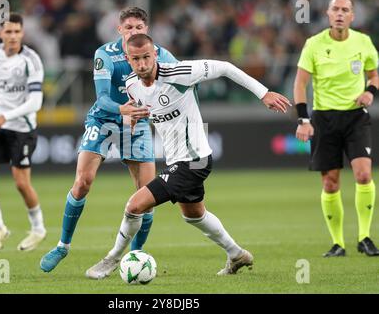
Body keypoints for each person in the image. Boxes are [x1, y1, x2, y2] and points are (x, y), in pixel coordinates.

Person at [85, 33, 291, 279]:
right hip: (176, 160)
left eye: (146, 57)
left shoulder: (179, 73)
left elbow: (224, 67)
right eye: (136, 59)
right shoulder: (131, 84)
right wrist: (132, 119)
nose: (142, 64)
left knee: (134, 205)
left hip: (195, 159)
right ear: (128, 60)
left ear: (155, 55)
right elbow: (138, 107)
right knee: (193, 215)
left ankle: (112, 259)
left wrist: (263, 93)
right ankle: (236, 254)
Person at [40, 7, 178, 272]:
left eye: (139, 27)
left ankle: (134, 257)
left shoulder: (161, 55)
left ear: (146, 29)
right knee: (82, 182)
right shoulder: (105, 54)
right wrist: (122, 109)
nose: (134, 32)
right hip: (104, 119)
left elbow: (177, 86)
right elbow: (102, 98)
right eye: (129, 28)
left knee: (146, 196)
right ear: (120, 30)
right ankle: (62, 246)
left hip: (135, 124)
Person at [294, 0, 379, 257]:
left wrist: (370, 92)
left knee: (364, 175)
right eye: (336, 9)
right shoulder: (314, 44)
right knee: (330, 183)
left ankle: (364, 237)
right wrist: (304, 120)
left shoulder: (363, 42)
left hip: (355, 116)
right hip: (324, 118)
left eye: (345, 9)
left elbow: (374, 74)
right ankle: (337, 243)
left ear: (353, 16)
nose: (340, 13)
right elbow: (300, 84)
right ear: (328, 15)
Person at [0, 13, 46, 253]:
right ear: (0, 33)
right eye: (8, 32)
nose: (13, 36)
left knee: (21, 184)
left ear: (23, 33)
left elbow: (35, 102)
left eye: (17, 32)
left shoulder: (31, 60)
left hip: (22, 128)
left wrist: (6, 116)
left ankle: (38, 229)